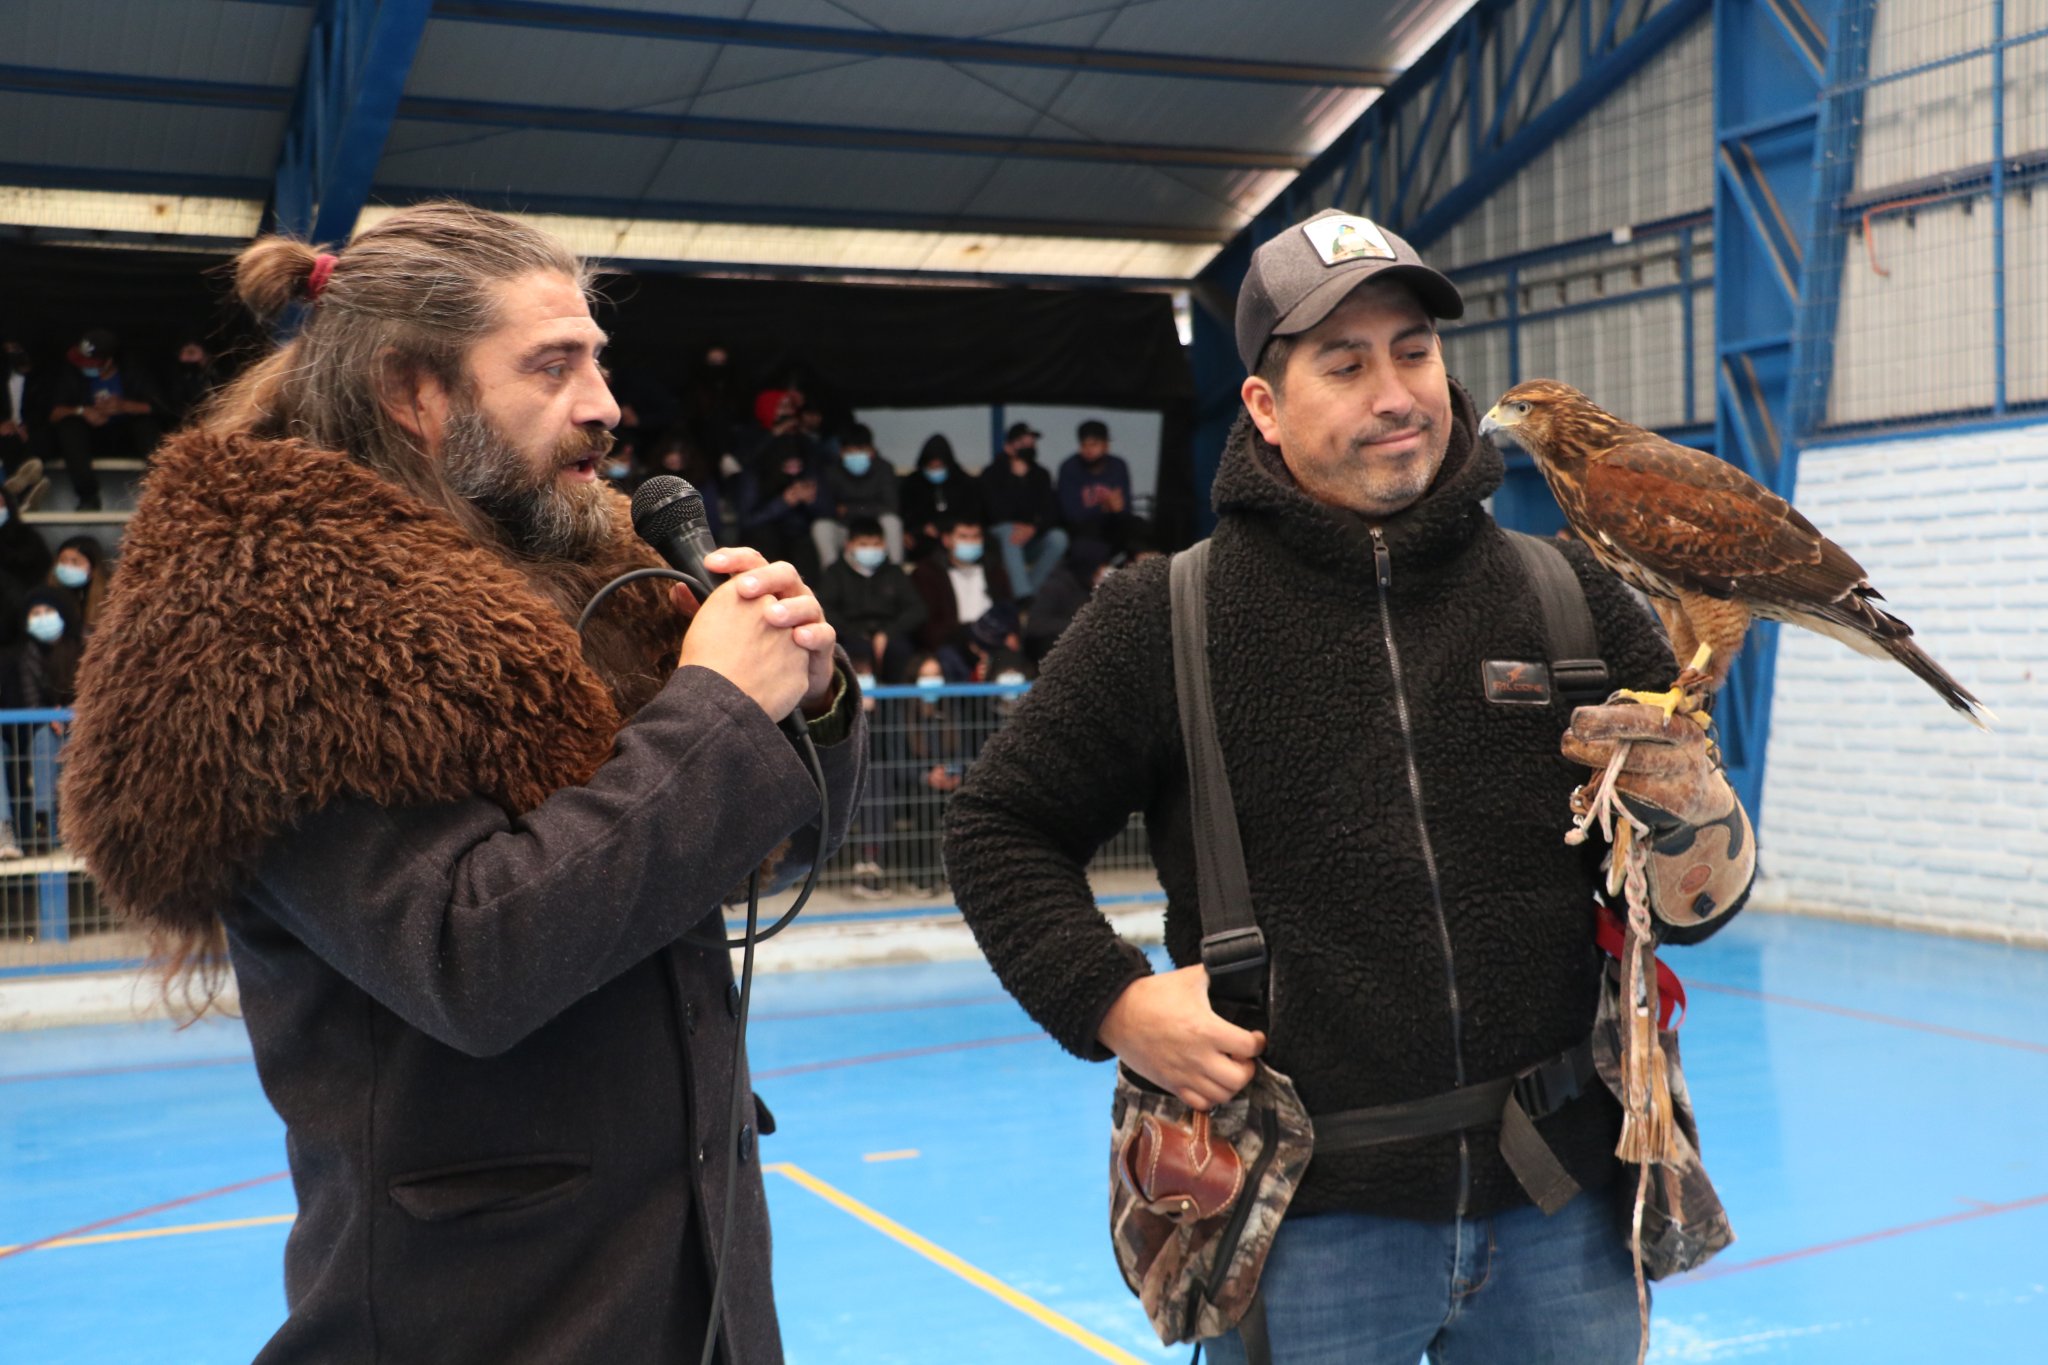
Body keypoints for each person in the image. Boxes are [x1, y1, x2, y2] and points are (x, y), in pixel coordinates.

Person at [58, 201, 867, 1365]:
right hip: (480, 1312)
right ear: (414, 393)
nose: (603, 403)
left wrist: (812, 696)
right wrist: (718, 711)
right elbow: (471, 957)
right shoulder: (276, 627)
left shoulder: (591, 574)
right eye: (553, 365)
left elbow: (749, 851)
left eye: (598, 359)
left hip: (692, 1286)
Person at [944, 209, 1756, 1364]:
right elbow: (995, 828)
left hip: (1559, 1205)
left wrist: (1694, 824)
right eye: (1345, 363)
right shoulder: (1163, 618)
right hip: (1305, 1223)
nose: (1397, 392)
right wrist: (1112, 1003)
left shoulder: (1563, 593)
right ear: (1265, 410)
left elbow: (1695, 902)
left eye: (1413, 352)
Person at [1, 586, 83, 854]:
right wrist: (48, 720)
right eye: (35, 613)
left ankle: (72, 828)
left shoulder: (86, 649)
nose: (42, 618)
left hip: (81, 732)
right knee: (44, 737)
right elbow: (23, 705)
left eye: (48, 611)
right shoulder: (18, 658)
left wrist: (70, 716)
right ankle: (43, 826)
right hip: (34, 737)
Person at [47, 328, 163, 510]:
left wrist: (124, 406)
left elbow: (161, 408)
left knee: (146, 425)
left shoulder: (133, 370)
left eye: (91, 364)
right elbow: (53, 413)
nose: (86, 367)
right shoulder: (72, 373)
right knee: (70, 428)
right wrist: (82, 411)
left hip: (127, 439)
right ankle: (88, 498)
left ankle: (160, 493)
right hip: (90, 441)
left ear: (108, 361)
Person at [817, 516, 925, 683]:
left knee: (901, 650)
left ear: (884, 545)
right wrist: (856, 634)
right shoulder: (835, 573)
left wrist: (887, 633)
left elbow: (916, 609)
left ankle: (896, 707)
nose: (870, 550)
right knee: (854, 653)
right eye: (863, 544)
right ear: (849, 545)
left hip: (891, 633)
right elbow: (825, 609)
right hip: (849, 636)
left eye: (876, 544)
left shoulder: (895, 573)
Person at [981, 420, 1067, 598]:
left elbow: (1051, 512)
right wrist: (1016, 481)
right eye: (1022, 441)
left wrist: (1033, 528)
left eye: (1032, 441)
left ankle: (1028, 594)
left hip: (1031, 538)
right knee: (1009, 531)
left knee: (1059, 538)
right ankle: (1021, 594)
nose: (1029, 445)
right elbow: (994, 513)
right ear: (1009, 447)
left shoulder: (1041, 474)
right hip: (1000, 541)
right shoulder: (992, 473)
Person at [910, 517, 1012, 655]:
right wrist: (966, 637)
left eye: (976, 537)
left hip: (993, 640)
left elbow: (1008, 609)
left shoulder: (995, 571)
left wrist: (1010, 634)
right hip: (952, 643)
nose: (970, 542)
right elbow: (927, 624)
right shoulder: (928, 572)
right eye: (963, 537)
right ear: (947, 540)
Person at [733, 431, 823, 580]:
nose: (793, 472)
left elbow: (828, 511)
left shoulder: (808, 473)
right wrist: (783, 502)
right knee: (766, 536)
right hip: (763, 536)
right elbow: (747, 521)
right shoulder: (754, 477)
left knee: (805, 544)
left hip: (797, 535)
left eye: (797, 466)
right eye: (789, 467)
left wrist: (812, 501)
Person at [811, 423, 903, 566]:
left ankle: (896, 572)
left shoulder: (884, 468)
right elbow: (826, 509)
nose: (856, 455)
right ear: (841, 452)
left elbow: (891, 506)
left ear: (871, 450)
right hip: (845, 530)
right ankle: (831, 577)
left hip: (875, 530)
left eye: (860, 450)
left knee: (892, 522)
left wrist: (849, 509)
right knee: (821, 526)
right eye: (850, 451)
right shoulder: (831, 472)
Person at [898, 433, 985, 561]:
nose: (935, 470)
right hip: (923, 538)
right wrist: (921, 529)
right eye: (931, 467)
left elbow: (973, 512)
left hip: (959, 534)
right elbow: (906, 514)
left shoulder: (963, 481)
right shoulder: (912, 483)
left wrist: (947, 527)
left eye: (939, 466)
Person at [1055, 418, 1133, 549]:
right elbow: (1071, 515)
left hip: (1113, 526)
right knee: (1085, 540)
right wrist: (1104, 507)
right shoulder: (1070, 466)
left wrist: (1116, 508)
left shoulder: (1118, 466)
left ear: (1105, 445)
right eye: (1084, 445)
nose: (1089, 450)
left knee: (1137, 527)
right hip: (1083, 530)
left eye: (1094, 444)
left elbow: (1124, 509)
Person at [47, 534, 109, 637]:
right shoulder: (46, 596)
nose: (67, 567)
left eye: (75, 562)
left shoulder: (108, 600)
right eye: (63, 561)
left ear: (93, 568)